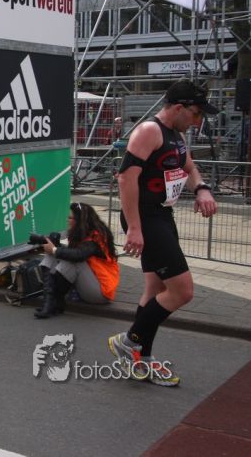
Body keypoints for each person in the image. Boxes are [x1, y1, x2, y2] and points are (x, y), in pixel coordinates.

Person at [108, 79, 218, 387]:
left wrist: (202, 189)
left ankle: (141, 357)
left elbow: (189, 167)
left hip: (163, 216)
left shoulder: (176, 135)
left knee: (155, 290)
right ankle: (130, 341)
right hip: (145, 218)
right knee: (183, 291)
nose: (198, 121)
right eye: (196, 114)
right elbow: (126, 179)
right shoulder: (149, 131)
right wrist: (134, 228)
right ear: (180, 108)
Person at [33, 202, 119, 319]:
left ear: (80, 221)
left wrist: (55, 249)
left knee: (72, 261)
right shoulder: (82, 233)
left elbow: (79, 255)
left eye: (70, 218)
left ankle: (55, 301)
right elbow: (74, 252)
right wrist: (52, 248)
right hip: (89, 285)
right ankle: (49, 303)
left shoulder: (96, 236)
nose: (68, 220)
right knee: (50, 255)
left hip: (101, 292)